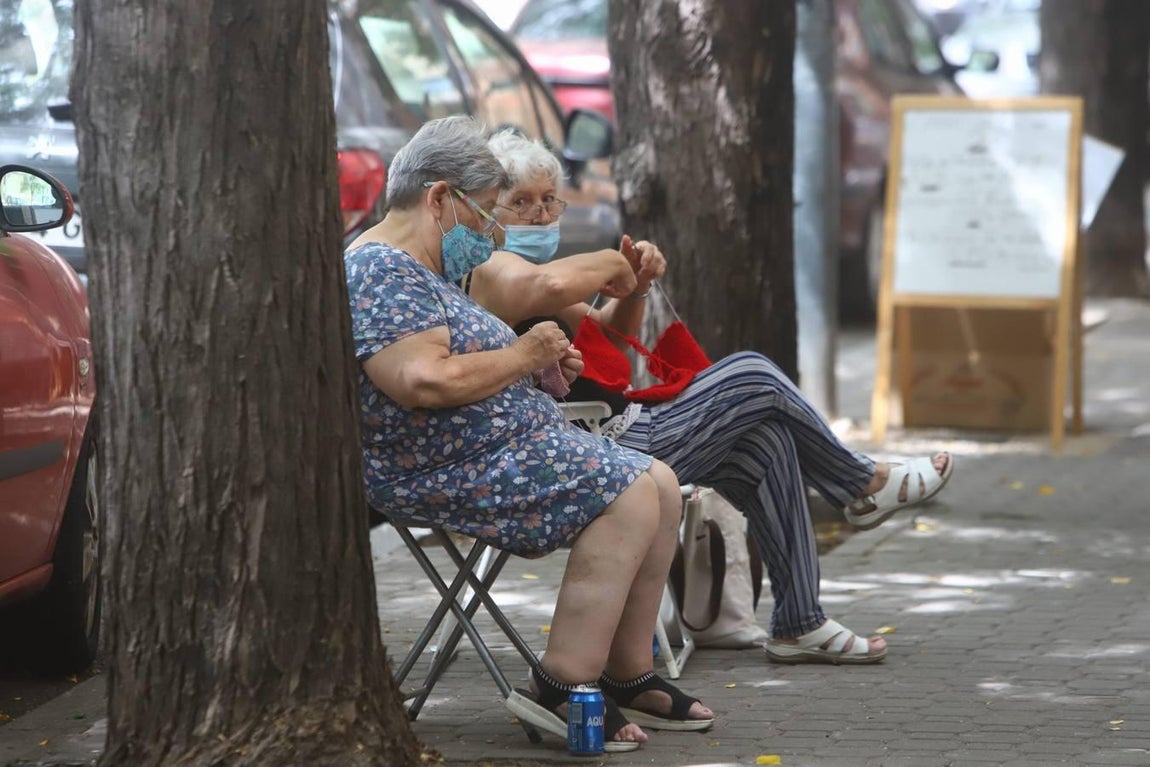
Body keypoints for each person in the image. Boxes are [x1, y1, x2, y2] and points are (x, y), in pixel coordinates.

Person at [463, 128, 957, 664]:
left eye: (547, 201)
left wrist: (639, 286)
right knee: (751, 373)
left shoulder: (532, 273)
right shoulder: (492, 269)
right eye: (521, 203)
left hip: (614, 431)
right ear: (490, 209)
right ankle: (861, 482)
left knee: (767, 442)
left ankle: (799, 621)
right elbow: (553, 289)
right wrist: (610, 265)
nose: (540, 215)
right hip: (593, 451)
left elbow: (607, 335)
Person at [343, 116, 714, 750]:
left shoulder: (421, 270)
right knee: (626, 492)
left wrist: (534, 366)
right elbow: (420, 382)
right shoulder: (381, 269)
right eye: (486, 212)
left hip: (486, 451)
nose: (491, 231)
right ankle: (564, 682)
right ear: (439, 199)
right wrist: (521, 355)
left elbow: (454, 364)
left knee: (660, 481)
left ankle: (627, 672)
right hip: (436, 468)